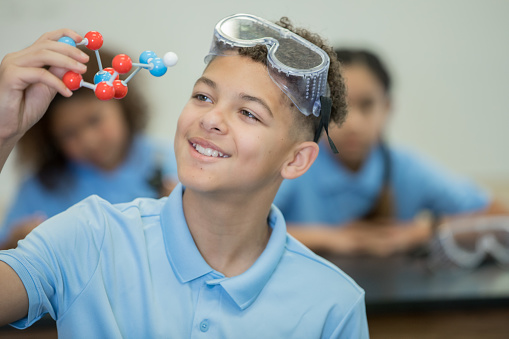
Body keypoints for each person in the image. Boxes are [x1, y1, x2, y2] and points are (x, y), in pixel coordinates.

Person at [0, 14, 369, 338]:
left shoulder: (333, 306)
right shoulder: (90, 236)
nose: (209, 119)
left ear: (297, 160)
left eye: (248, 113)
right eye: (204, 97)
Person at [274, 48, 507, 257]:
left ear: (387, 108)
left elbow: (499, 217)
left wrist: (418, 233)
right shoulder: (296, 164)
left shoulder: (405, 167)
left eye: (366, 105)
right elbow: (246, 230)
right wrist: (336, 239)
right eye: (338, 107)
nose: (352, 123)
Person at [0, 47, 178, 250]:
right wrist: (15, 243)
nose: (89, 141)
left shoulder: (172, 161)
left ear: (124, 105)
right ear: (51, 140)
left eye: (94, 120)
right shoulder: (41, 187)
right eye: (68, 133)